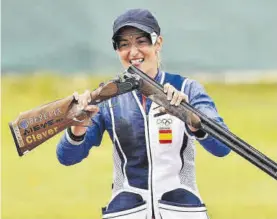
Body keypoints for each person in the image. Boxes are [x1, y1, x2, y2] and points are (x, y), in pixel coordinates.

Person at [56, 8, 231, 219]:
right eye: (124, 45)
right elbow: (67, 157)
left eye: (142, 41)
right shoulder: (106, 97)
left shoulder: (188, 88)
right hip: (127, 211)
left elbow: (223, 147)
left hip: (182, 211)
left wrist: (191, 118)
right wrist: (78, 126)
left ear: (158, 43)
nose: (133, 52)